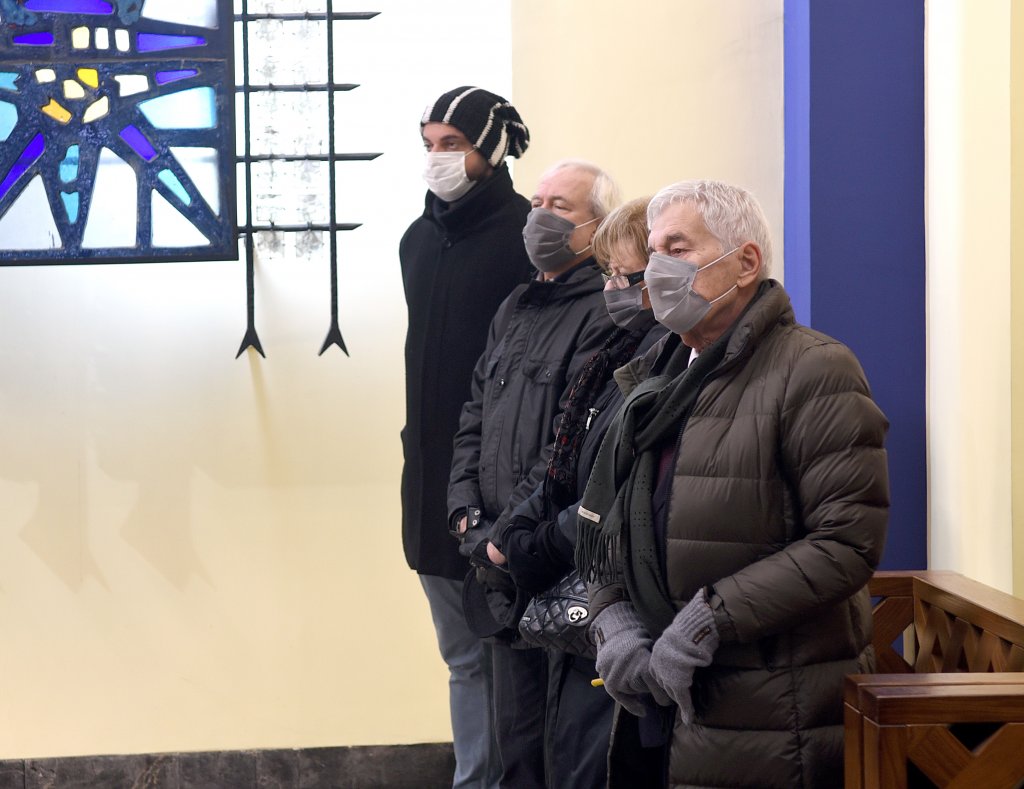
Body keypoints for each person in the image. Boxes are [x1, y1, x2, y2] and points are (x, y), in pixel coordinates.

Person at [578, 180, 890, 788]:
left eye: (678, 249)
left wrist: (708, 620)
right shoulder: (658, 378)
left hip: (771, 713)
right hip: (660, 703)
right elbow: (617, 525)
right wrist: (612, 619)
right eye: (654, 252)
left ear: (745, 263)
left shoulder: (814, 368)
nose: (656, 270)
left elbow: (846, 543)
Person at [448, 159, 620, 789]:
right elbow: (474, 416)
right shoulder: (515, 305)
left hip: (551, 560)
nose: (541, 216)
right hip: (497, 563)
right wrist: (466, 516)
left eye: (562, 207)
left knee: (560, 749)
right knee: (514, 747)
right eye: (538, 202)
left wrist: (507, 535)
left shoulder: (604, 312)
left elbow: (567, 447)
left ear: (598, 229)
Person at [491, 197, 669, 789]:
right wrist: (513, 529)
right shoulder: (618, 353)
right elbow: (567, 460)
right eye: (608, 274)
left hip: (621, 606)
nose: (612, 288)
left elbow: (619, 489)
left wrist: (537, 543)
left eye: (623, 275)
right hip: (584, 595)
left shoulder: (662, 363)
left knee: (593, 762)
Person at [399, 85, 531, 789]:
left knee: (512, 656)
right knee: (461, 658)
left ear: (491, 148)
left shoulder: (526, 237)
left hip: (505, 487)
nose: (437, 158)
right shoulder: (416, 241)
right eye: (429, 143)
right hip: (430, 483)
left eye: (452, 144)